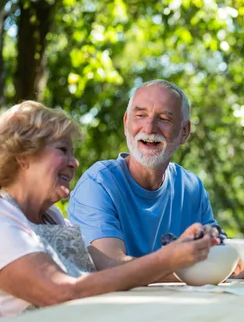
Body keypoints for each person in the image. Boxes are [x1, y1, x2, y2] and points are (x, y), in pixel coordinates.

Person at [0, 101, 218, 322]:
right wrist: (167, 257)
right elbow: (62, 292)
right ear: (23, 158)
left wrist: (187, 261)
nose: (74, 162)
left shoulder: (53, 219)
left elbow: (111, 269)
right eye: (62, 150)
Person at [68, 79, 219, 264]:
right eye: (140, 115)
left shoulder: (192, 189)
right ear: (126, 123)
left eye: (164, 119)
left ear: (185, 132)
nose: (149, 128)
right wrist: (177, 261)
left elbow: (217, 256)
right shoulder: (99, 184)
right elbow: (113, 267)